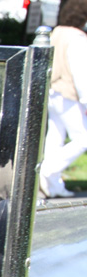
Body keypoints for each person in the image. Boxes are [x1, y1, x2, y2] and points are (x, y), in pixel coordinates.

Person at [38, 0, 87, 198]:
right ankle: (48, 170)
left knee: (55, 137)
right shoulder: (78, 38)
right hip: (68, 93)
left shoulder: (57, 32)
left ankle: (53, 185)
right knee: (83, 139)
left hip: (53, 90)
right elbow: (81, 74)